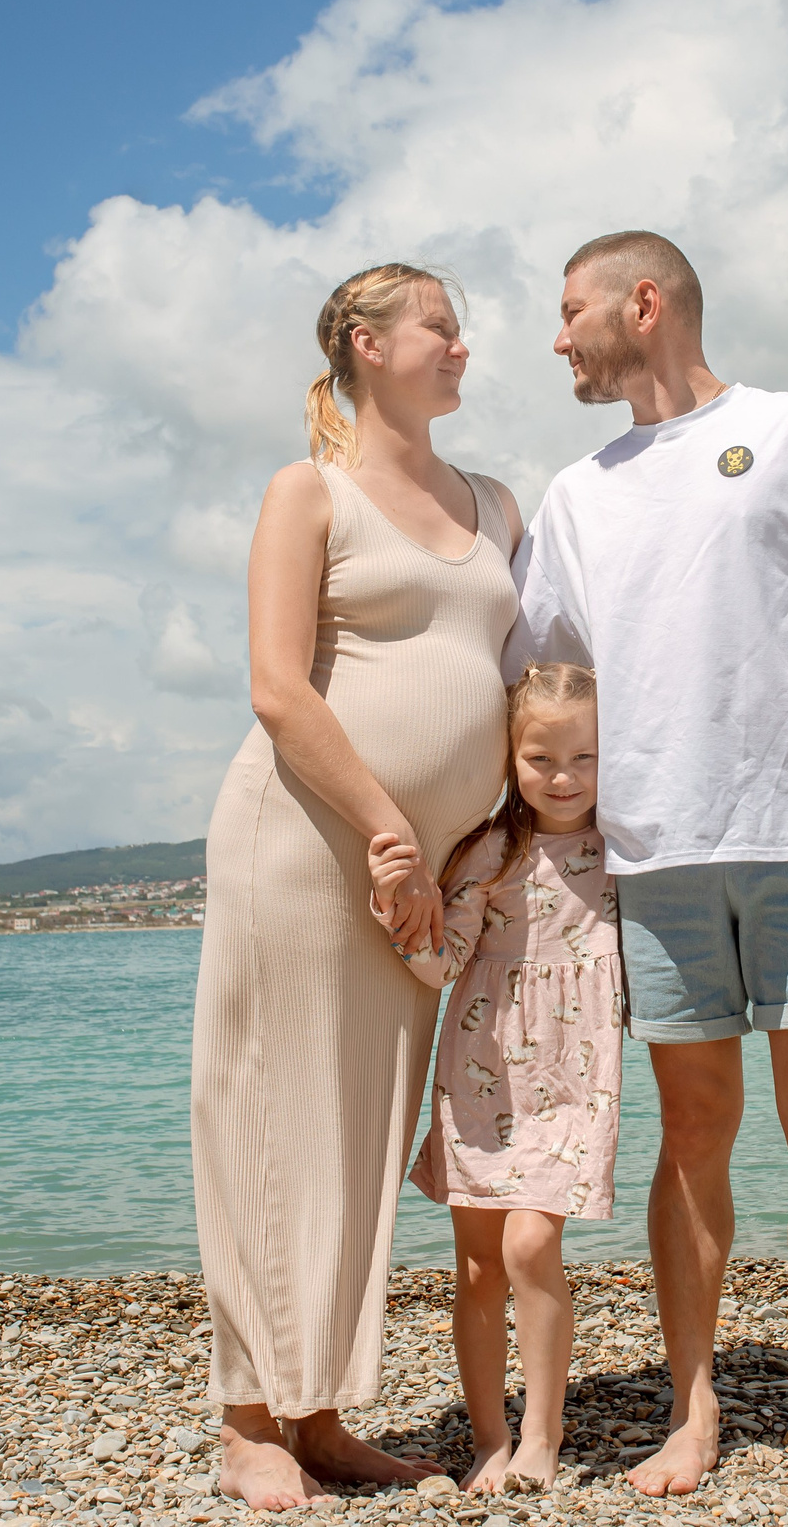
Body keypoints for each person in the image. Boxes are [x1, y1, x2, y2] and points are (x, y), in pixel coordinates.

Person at [507, 231, 788, 1495]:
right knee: (691, 1131)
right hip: (657, 850)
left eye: (571, 310)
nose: (559, 336)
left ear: (645, 305)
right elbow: (535, 682)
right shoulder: (578, 494)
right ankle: (690, 1408)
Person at [191, 263, 524, 1512]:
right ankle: (246, 1421)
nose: (462, 345)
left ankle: (319, 1414)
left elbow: (525, 671)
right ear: (367, 343)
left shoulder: (494, 502)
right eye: (442, 325)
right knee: (267, 1119)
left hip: (429, 878)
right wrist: (388, 832)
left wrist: (483, 846)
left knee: (363, 1134)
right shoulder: (308, 491)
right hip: (305, 846)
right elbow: (279, 688)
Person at [363, 662, 623, 1495]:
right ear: (509, 756)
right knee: (477, 1265)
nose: (564, 777)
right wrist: (401, 908)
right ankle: (489, 1436)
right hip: (482, 1074)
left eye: (583, 758)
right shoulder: (489, 850)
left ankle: (544, 1433)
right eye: (542, 757)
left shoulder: (625, 848)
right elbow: (442, 965)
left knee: (530, 1240)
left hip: (573, 1075)